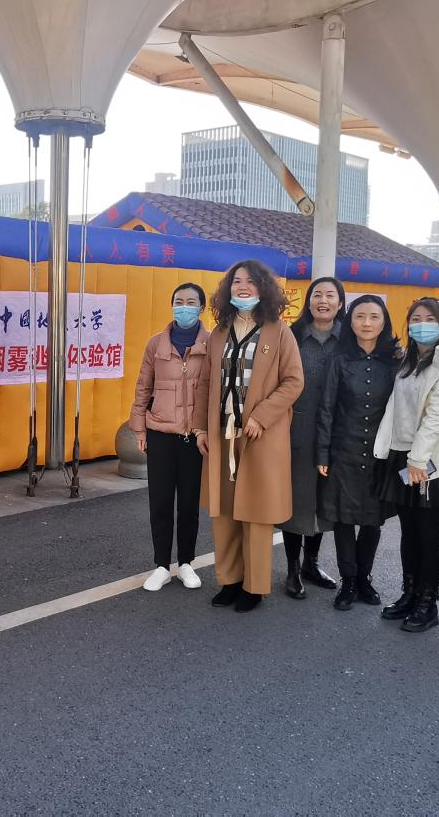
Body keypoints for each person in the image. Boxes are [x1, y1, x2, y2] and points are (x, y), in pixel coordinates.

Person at [191, 260, 304, 613]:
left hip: (259, 437)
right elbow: (205, 383)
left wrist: (262, 416)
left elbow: (293, 382)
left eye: (251, 281)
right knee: (224, 512)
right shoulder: (219, 333)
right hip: (222, 434)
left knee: (256, 512)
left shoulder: (279, 332)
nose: (242, 286)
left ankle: (254, 587)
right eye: (236, 281)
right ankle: (229, 581)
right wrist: (200, 427)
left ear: (263, 288)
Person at [373, 297, 439, 632]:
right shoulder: (410, 359)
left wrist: (417, 459)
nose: (421, 325)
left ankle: (428, 602)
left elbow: (438, 414)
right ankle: (409, 593)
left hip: (430, 462)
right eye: (415, 319)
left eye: (430, 319)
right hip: (403, 456)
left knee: (428, 534)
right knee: (409, 530)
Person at [315, 295, 401, 610]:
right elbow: (326, 408)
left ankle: (365, 579)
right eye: (360, 316)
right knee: (343, 519)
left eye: (374, 316)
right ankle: (348, 582)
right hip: (343, 451)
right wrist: (322, 454)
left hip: (380, 454)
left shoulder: (395, 361)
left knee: (372, 520)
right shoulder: (339, 359)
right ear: (350, 322)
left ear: (384, 321)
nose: (366, 323)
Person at [129, 283, 210, 592]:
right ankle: (161, 565)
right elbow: (143, 386)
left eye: (190, 302)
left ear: (201, 308)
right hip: (161, 432)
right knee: (160, 502)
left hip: (194, 436)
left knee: (189, 504)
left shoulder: (212, 343)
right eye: (179, 301)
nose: (184, 307)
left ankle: (186, 562)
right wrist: (139, 427)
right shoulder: (155, 344)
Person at [282, 277, 345, 599]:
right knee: (296, 501)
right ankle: (292, 568)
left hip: (335, 434)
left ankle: (312, 563)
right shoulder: (291, 337)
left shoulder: (349, 340)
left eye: (330, 295)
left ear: (340, 303)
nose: (323, 300)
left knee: (323, 501)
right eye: (317, 294)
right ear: (308, 302)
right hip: (296, 431)